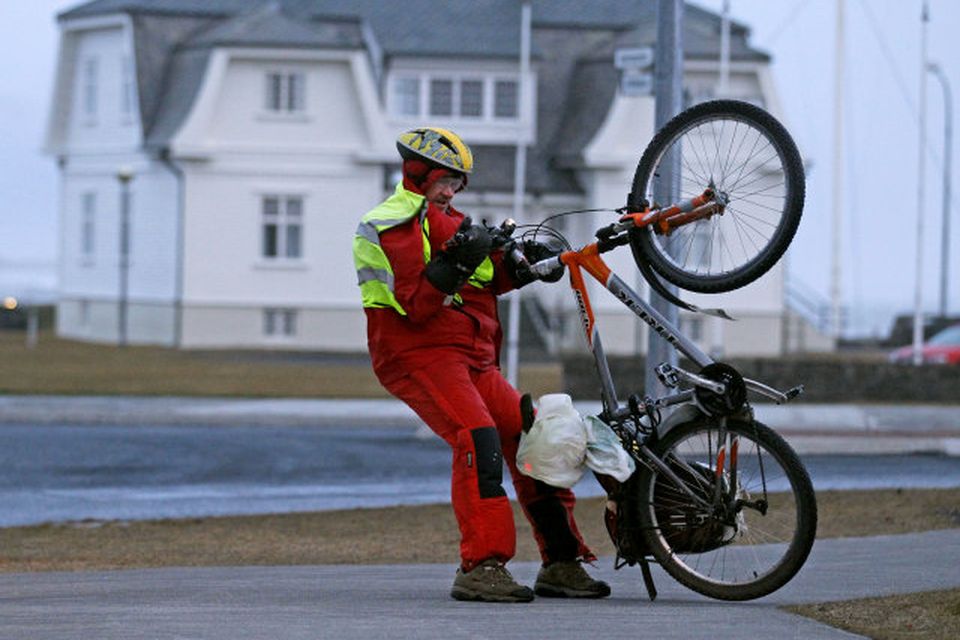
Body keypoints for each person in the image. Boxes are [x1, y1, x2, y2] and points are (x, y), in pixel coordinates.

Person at [352, 127, 610, 603]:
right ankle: (481, 566)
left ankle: (561, 562)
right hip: (418, 355)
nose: (452, 192)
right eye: (446, 181)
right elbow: (415, 304)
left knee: (533, 435)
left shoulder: (451, 221)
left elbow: (487, 279)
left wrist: (528, 266)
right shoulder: (386, 223)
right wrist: (458, 262)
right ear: (419, 172)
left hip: (473, 357)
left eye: (458, 185)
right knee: (477, 437)